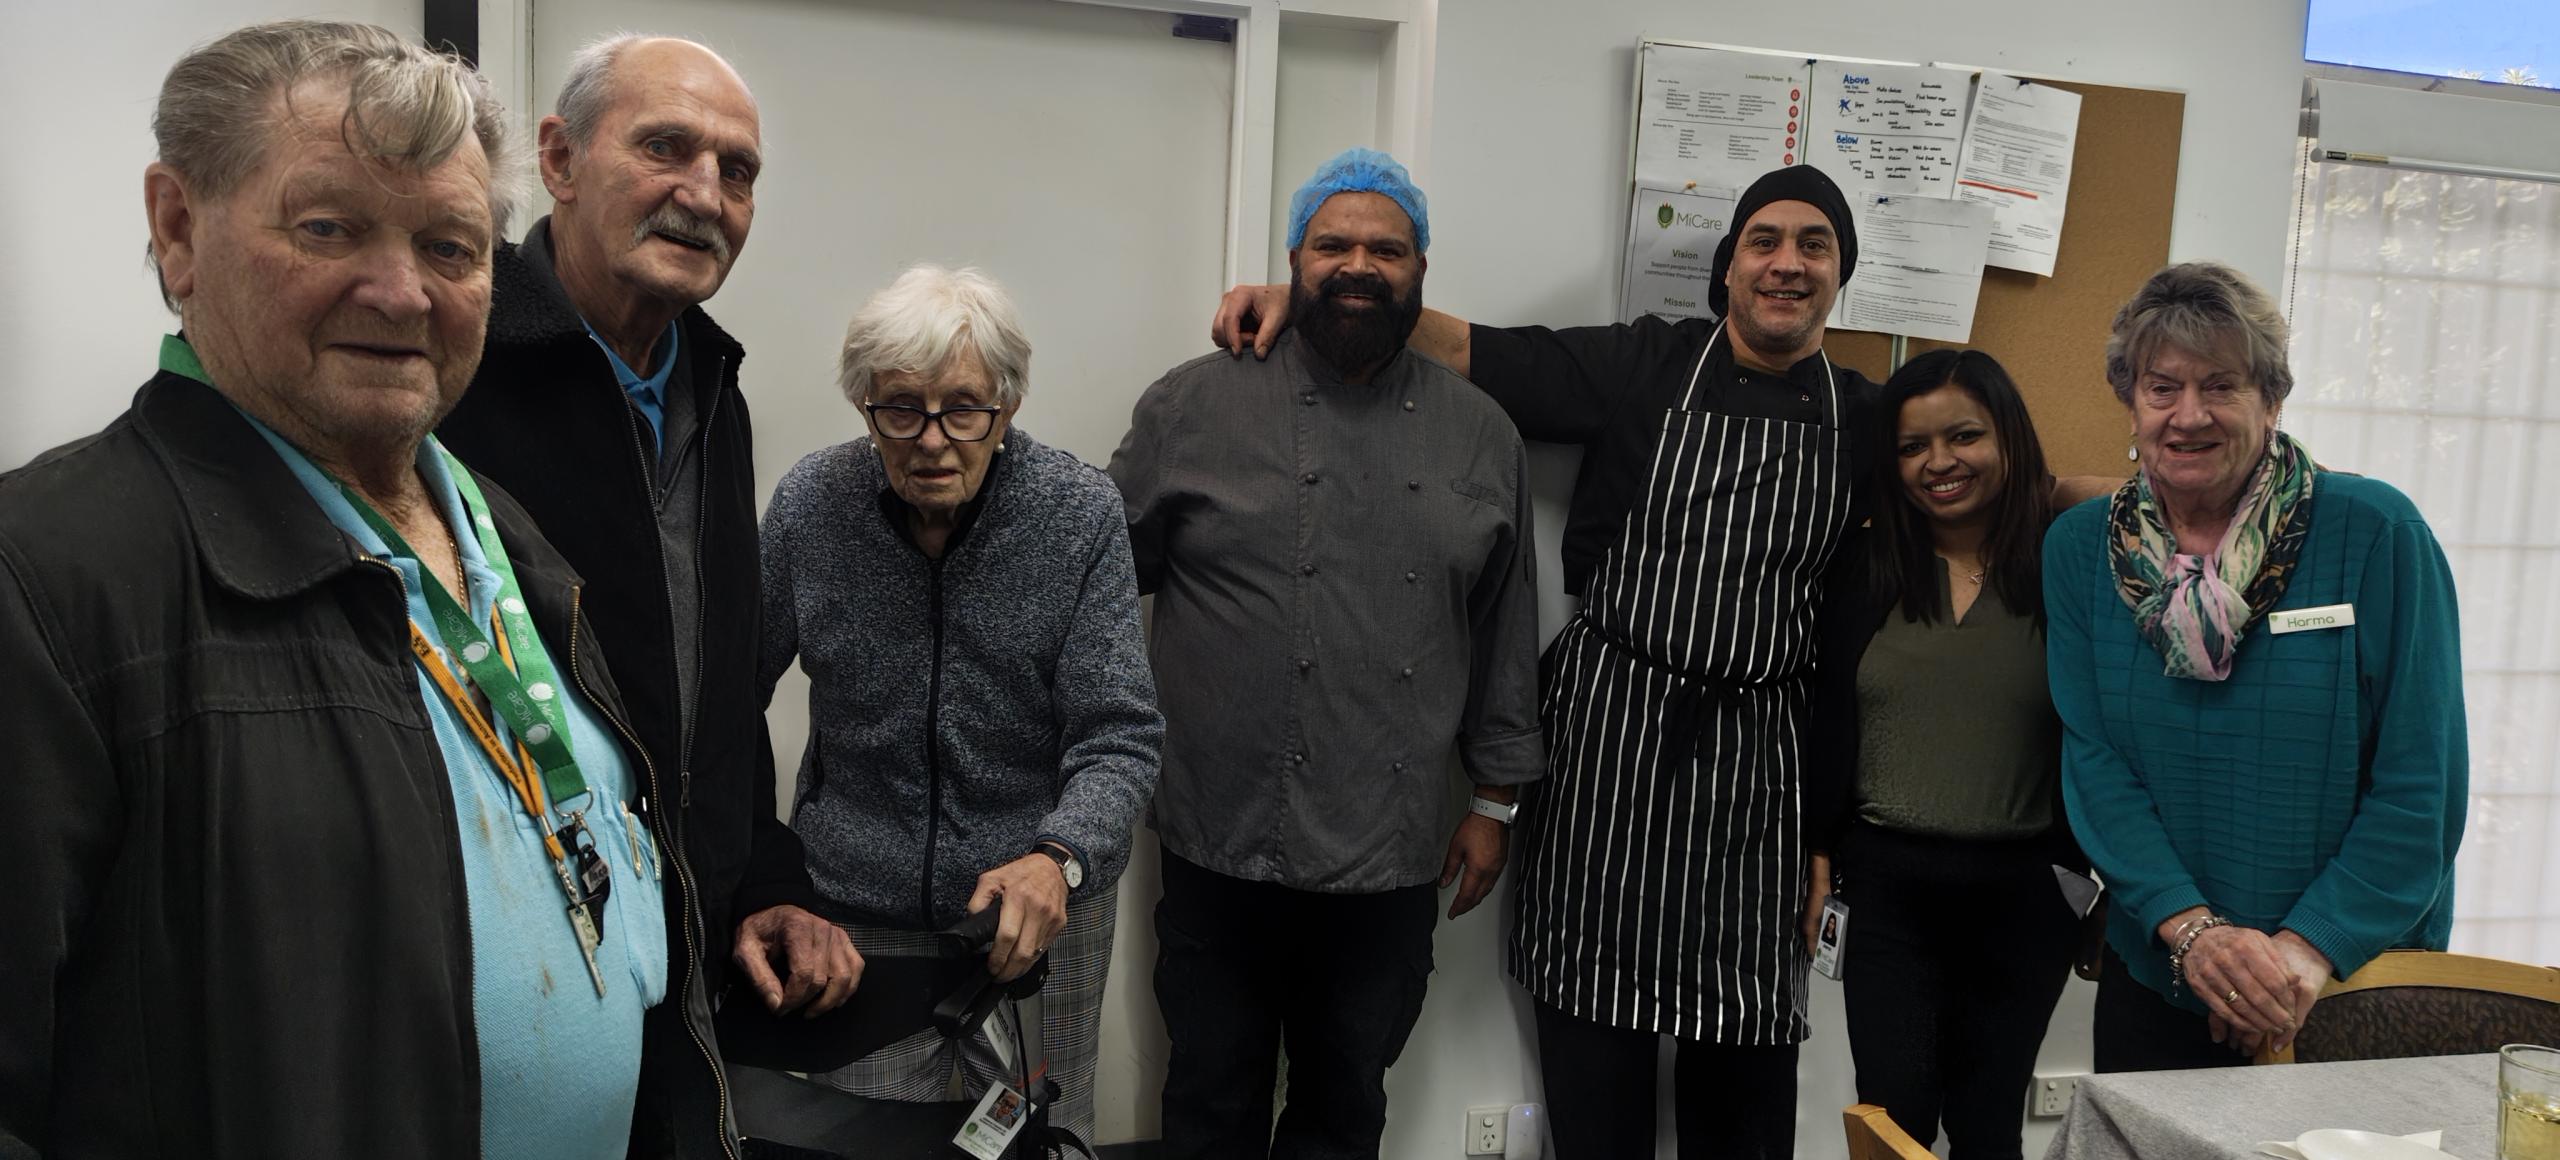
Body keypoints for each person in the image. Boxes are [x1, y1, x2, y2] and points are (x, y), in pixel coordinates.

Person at [0, 21, 692, 1156]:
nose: (401, 291)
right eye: (329, 227)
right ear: (178, 228)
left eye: (452, 247)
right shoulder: (45, 580)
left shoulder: (505, 539)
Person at [1213, 162, 1875, 1159]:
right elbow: (1474, 349)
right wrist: (1300, 299)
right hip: (1610, 744)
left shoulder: (1868, 416)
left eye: (1812, 245)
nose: (1785, 264)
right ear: (1727, 267)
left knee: (1745, 1081)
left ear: (1839, 273)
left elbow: (2002, 471)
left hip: (1757, 772)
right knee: (1592, 1062)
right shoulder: (1645, 365)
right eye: (1763, 241)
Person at [431, 34, 861, 1147]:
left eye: (739, 170)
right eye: (665, 147)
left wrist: (768, 873)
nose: (704, 195)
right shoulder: (447, 370)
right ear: (560, 159)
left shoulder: (712, 380)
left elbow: (715, 683)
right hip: (511, 967)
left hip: (689, 949)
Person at [1115, 147, 1545, 1160]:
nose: (1359, 264)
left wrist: (1494, 800)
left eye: (1385, 248)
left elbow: (1504, 627)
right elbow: (1097, 580)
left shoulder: (1484, 436)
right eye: (1333, 244)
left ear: (1421, 270)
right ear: (1293, 261)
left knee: (1345, 1103)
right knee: (1207, 1092)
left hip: (1387, 847)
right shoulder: (1190, 403)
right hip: (1217, 831)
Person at [759, 265, 1162, 1143]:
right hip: (858, 915)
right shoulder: (809, 507)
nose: (933, 441)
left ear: (1008, 408)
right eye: (901, 409)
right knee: (857, 1139)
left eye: (965, 410)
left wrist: (1061, 858)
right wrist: (764, 875)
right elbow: (726, 705)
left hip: (1037, 912)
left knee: (1039, 1140)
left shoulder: (1080, 514)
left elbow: (1119, 735)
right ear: (865, 406)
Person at [2046, 261, 2467, 1072]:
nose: (2188, 415)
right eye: (2162, 387)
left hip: (2349, 982)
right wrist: (2196, 934)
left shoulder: (2377, 533)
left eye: (2222, 386)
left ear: (2271, 399)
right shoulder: (2079, 551)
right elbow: (2095, 765)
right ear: (2129, 402)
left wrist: (2299, 955)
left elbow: (2423, 785)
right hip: (2164, 968)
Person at [1804, 349, 2083, 1159]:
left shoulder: (2069, 563)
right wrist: (1818, 846)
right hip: (1890, 891)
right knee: (1893, 1121)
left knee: (1990, 1123)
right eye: (1912, 446)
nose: (1939, 464)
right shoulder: (1861, 567)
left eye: (1964, 436)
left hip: (2027, 894)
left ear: (2012, 439)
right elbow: (1822, 716)